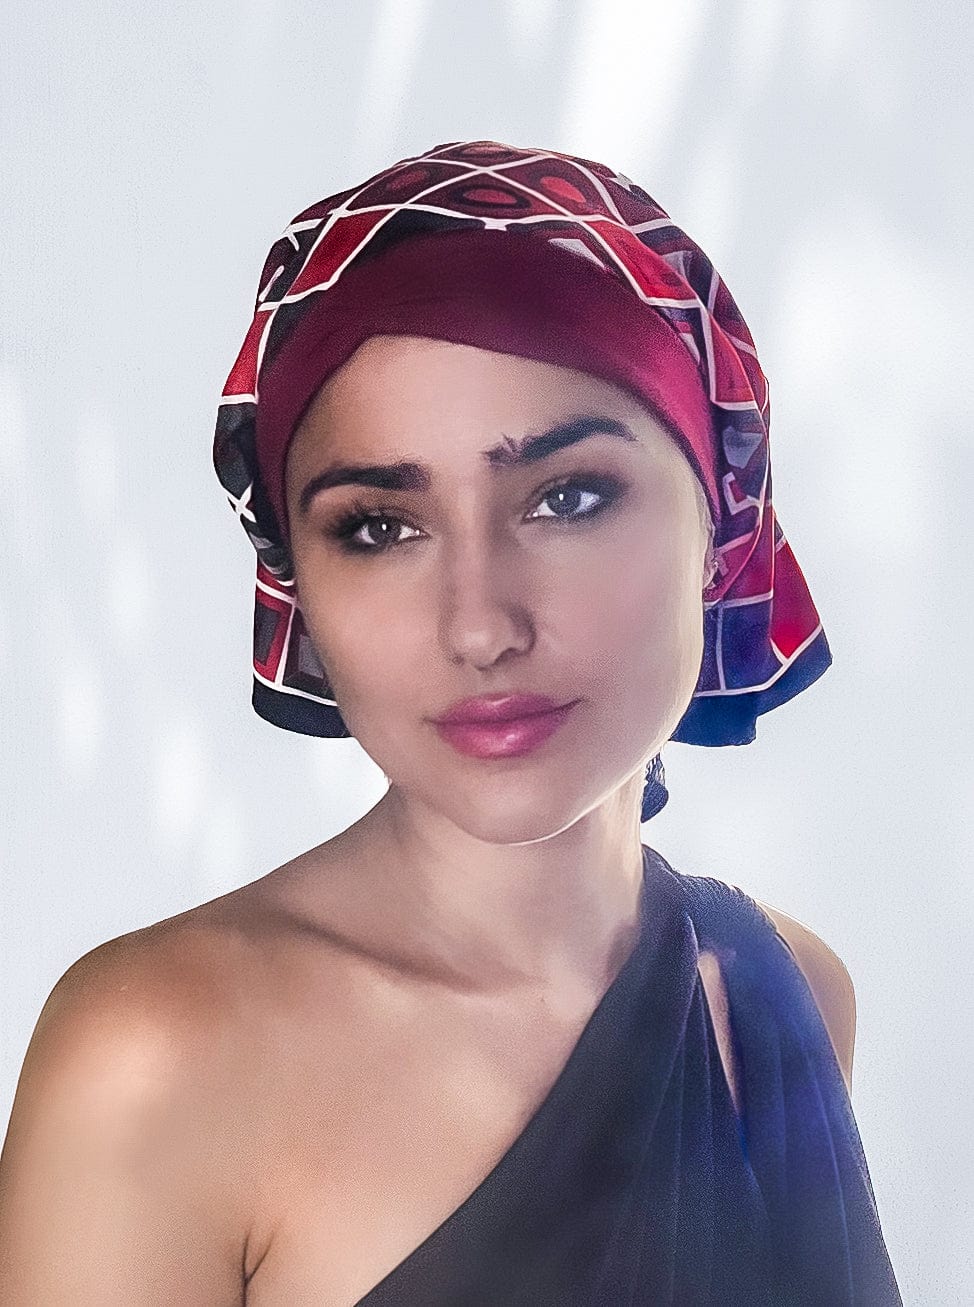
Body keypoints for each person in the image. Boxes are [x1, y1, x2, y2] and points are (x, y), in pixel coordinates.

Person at [0, 139, 901, 1304]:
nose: (478, 625)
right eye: (378, 525)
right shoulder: (157, 1065)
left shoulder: (788, 994)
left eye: (565, 496)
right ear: (296, 577)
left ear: (722, 521)